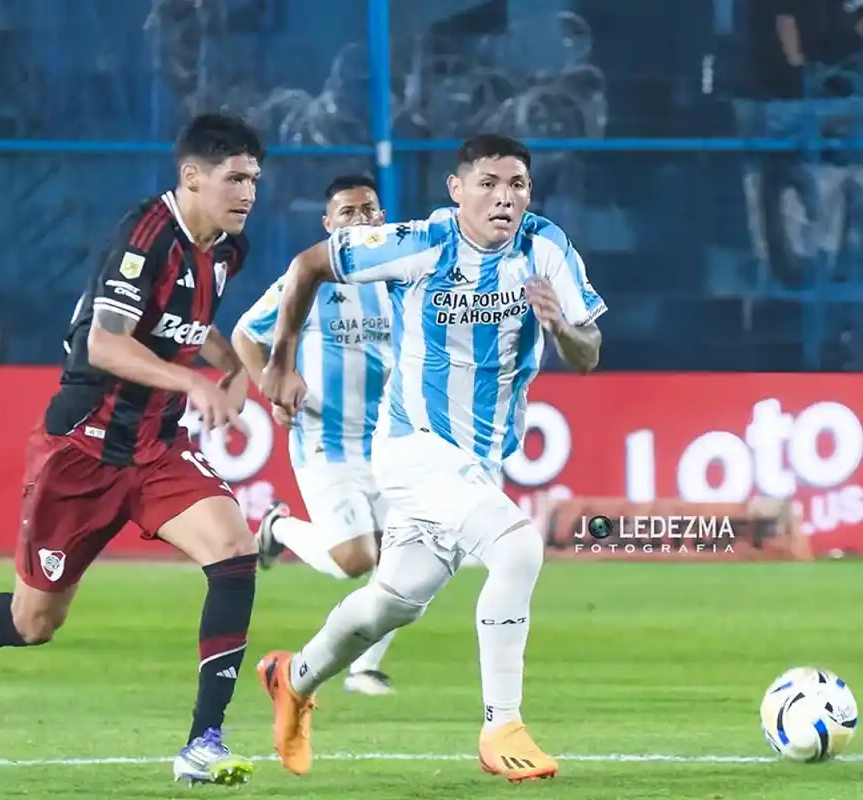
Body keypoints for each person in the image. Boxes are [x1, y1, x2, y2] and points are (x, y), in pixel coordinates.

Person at [0, 113, 264, 786]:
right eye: (233, 177)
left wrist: (233, 364)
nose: (247, 192)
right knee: (34, 620)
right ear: (191, 177)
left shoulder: (226, 248)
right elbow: (104, 343)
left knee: (234, 548)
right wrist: (195, 379)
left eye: (253, 179)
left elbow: (194, 320)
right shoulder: (146, 237)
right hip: (83, 451)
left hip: (158, 448)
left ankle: (204, 739)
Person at [256, 134, 606, 782]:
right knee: (518, 547)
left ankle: (292, 676)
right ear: (458, 189)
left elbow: (589, 351)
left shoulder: (546, 246)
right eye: (490, 183)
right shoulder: (424, 242)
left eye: (518, 185)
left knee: (395, 600)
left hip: (476, 463)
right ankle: (503, 724)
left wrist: (563, 330)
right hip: (413, 447)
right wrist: (279, 359)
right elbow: (309, 265)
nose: (505, 197)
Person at [232, 174, 398, 696]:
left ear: (382, 218)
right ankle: (279, 528)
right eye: (346, 213)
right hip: (326, 440)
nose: (360, 219)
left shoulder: (403, 276)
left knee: (406, 562)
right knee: (355, 562)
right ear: (329, 225)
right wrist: (273, 385)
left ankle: (365, 669)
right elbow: (244, 333)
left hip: (394, 442)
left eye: (368, 209)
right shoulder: (308, 279)